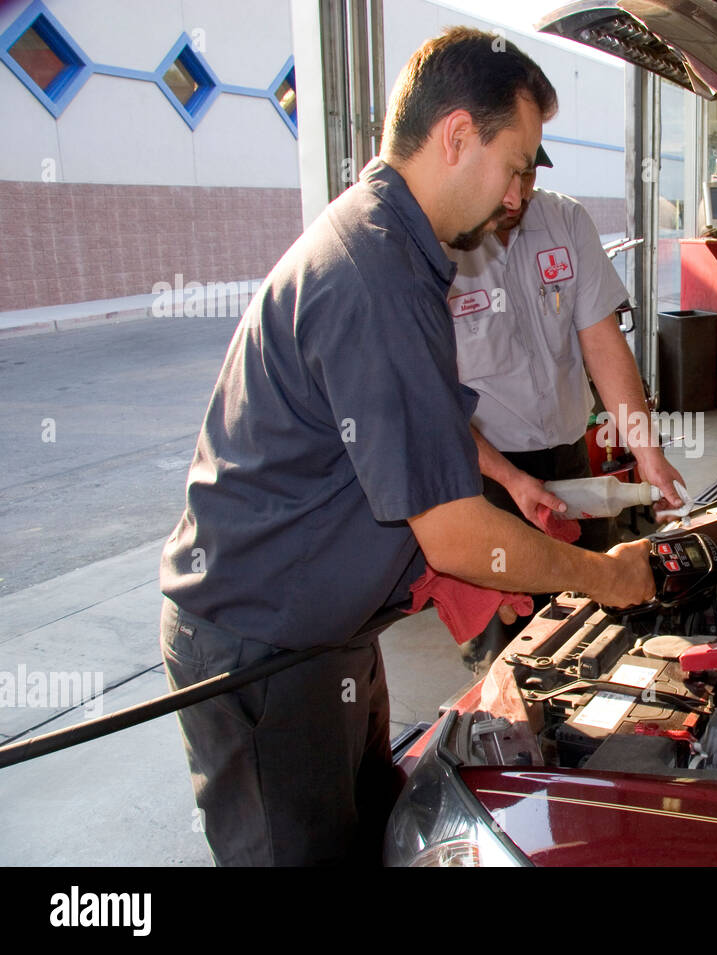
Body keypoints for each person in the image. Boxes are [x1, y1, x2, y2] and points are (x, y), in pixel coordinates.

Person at [157, 28, 654, 867]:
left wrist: (500, 473)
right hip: (261, 647)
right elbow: (457, 537)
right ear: (457, 135)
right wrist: (608, 578)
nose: (515, 194)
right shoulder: (375, 271)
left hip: (325, 636)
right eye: (514, 163)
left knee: (370, 839)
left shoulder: (392, 243)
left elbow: (409, 411)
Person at [445, 147, 686, 664]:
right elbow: (429, 398)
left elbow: (602, 343)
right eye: (510, 172)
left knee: (599, 616)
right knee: (505, 646)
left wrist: (647, 455)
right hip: (485, 478)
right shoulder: (443, 243)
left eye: (529, 172)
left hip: (571, 466)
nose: (519, 192)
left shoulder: (565, 221)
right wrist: (509, 479)